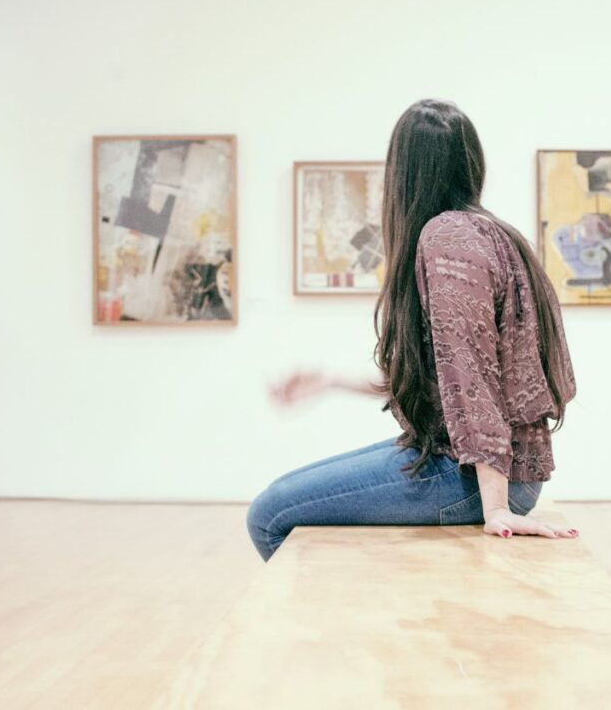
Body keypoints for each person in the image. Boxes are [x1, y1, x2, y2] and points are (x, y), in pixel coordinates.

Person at [246, 99, 579, 562]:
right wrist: (332, 381)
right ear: (470, 162)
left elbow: (470, 374)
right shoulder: (490, 232)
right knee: (281, 496)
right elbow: (447, 377)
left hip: (472, 477)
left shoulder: (447, 238)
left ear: (402, 172)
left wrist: (497, 508)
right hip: (476, 465)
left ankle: (346, 628)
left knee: (269, 514)